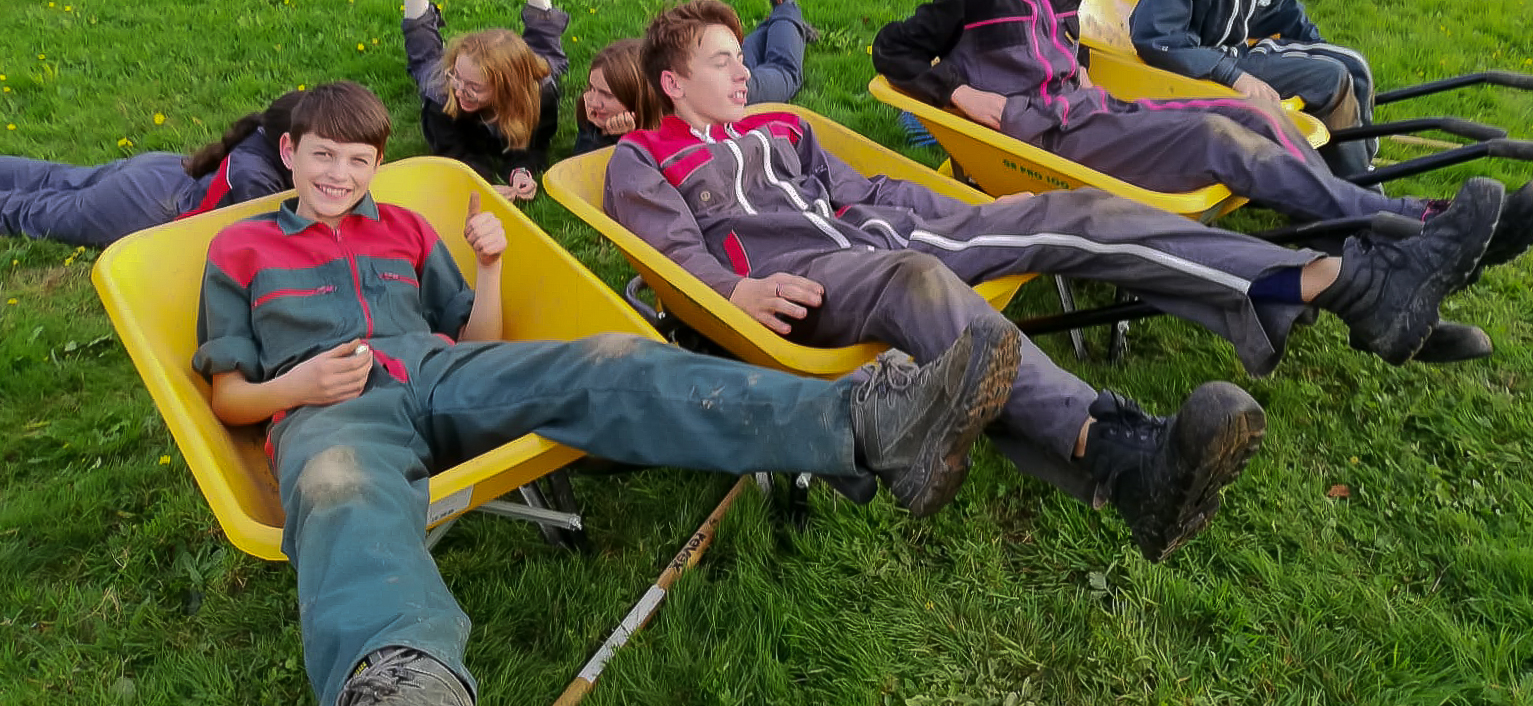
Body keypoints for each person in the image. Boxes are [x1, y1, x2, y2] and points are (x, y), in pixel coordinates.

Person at [192, 80, 1019, 706]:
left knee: (608, 360)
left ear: (378, 163)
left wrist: (486, 268)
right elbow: (229, 394)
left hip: (441, 375)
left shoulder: (403, 228)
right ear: (290, 152)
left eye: (359, 160)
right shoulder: (241, 248)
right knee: (339, 486)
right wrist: (295, 384)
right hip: (330, 411)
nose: (340, 174)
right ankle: (403, 675)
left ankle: (871, 425)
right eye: (322, 156)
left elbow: (476, 342)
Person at [603, 0, 1499, 566]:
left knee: (1075, 214)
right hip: (813, 284)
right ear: (673, 82)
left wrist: (961, 209)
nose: (740, 71)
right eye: (721, 62)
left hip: (904, 229)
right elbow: (669, 256)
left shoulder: (781, 129)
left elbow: (865, 188)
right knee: (914, 279)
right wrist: (730, 294)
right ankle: (1118, 454)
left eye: (738, 56)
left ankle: (1337, 283)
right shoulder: (643, 158)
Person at [872, 0, 1532, 304]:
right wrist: (958, 94)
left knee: (1245, 110)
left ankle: (1371, 236)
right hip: (1041, 133)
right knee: (1218, 139)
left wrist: (1072, 64)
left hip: (1086, 108)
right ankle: (1415, 223)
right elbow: (891, 48)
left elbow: (1058, 38)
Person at [1128, 0, 1375, 176]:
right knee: (1331, 77)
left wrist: (1321, 47)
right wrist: (1231, 74)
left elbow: (1281, 11)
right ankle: (1357, 185)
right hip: (1201, 63)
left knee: (1352, 65)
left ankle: (1356, 164)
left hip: (1238, 53)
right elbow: (1154, 36)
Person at [379, 0, 568, 201]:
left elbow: (534, 144)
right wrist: (483, 183)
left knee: (547, 55)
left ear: (507, 89)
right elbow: (455, 152)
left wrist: (521, 171)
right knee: (425, 60)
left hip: (526, 78)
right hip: (445, 76)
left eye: (474, 88)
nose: (460, 90)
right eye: (458, 78)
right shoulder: (443, 94)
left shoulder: (540, 94)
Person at [0, 91, 300, 247]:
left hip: (165, 172)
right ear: (287, 145)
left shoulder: (266, 134)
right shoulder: (255, 183)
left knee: (57, 178)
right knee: (30, 213)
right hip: (146, 207)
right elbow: (274, 250)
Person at [571, 0, 817, 155]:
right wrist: (613, 137)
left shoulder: (694, 103)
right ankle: (781, 24)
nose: (591, 100)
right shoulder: (599, 111)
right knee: (742, 52)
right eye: (591, 88)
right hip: (704, 70)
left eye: (605, 94)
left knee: (785, 71)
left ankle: (785, 3)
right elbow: (586, 167)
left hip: (726, 89)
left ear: (638, 97)